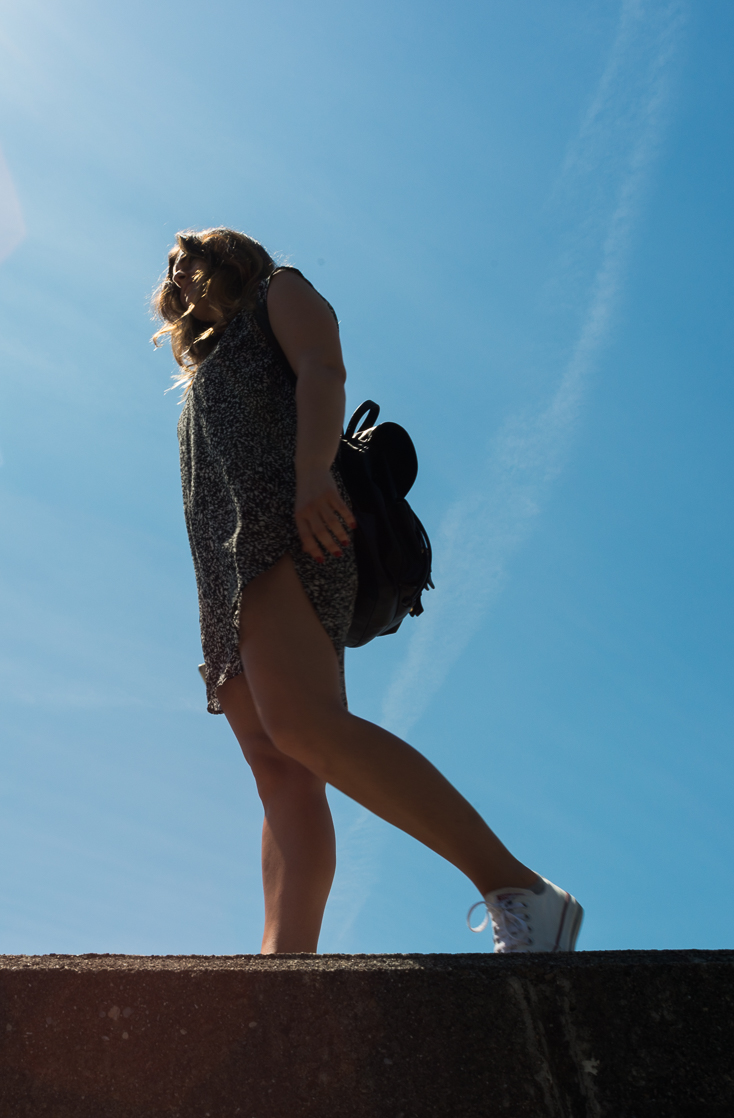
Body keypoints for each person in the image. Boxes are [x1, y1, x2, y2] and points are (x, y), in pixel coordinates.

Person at [154, 227, 582, 954]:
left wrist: (312, 474)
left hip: (284, 528)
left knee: (305, 725)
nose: (178, 276)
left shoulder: (278, 289)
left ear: (228, 257)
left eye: (188, 260)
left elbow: (323, 368)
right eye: (171, 271)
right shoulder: (207, 370)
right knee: (280, 767)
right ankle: (285, 964)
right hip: (226, 573)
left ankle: (519, 889)